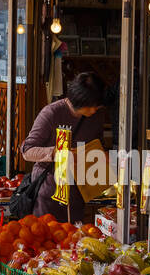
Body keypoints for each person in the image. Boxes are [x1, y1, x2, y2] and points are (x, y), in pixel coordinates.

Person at [21, 71, 108, 222]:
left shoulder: (95, 117)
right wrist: (57, 153)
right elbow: (27, 150)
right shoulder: (52, 113)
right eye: (91, 106)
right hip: (49, 195)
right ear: (80, 100)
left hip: (77, 195)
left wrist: (102, 156)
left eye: (97, 106)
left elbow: (97, 146)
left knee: (73, 241)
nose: (94, 110)